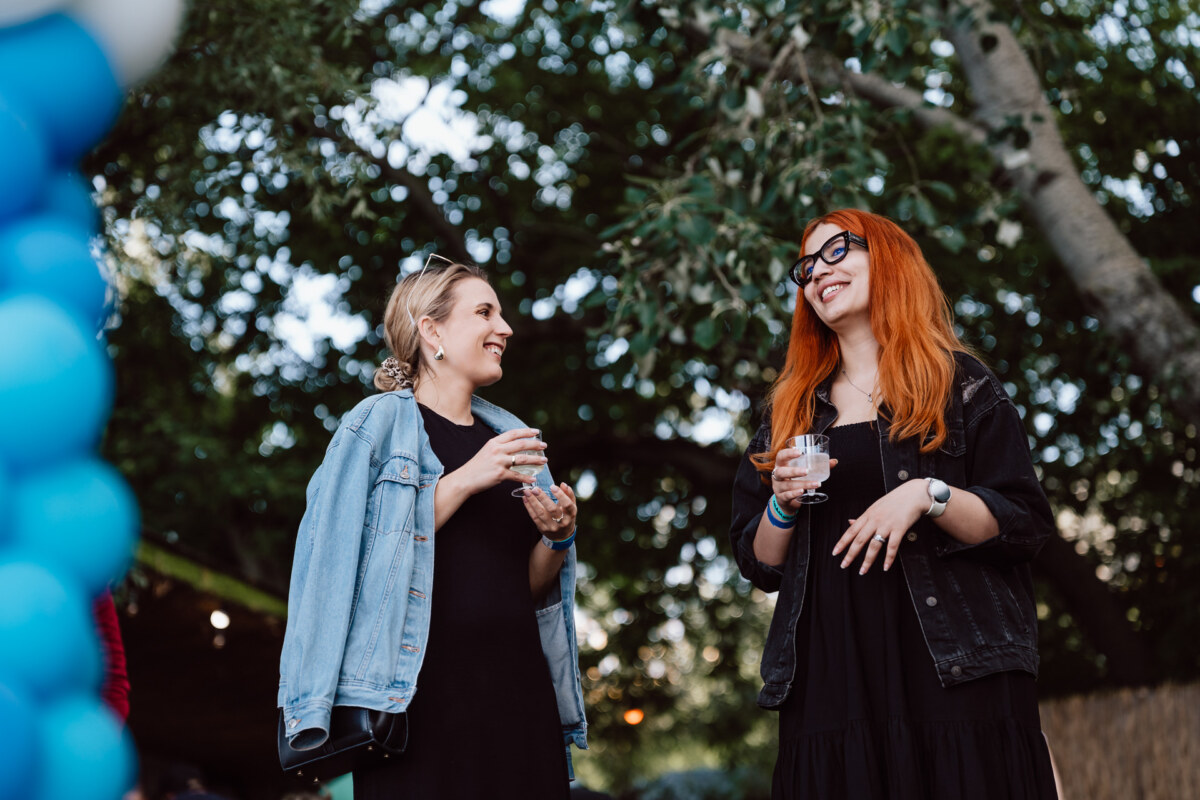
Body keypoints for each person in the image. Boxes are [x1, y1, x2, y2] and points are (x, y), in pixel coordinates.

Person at [730, 209, 1059, 799]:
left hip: (957, 671)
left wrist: (925, 495)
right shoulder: (790, 412)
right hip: (834, 675)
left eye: (837, 251)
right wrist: (781, 504)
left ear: (887, 257)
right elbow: (759, 562)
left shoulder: (961, 385)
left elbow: (1025, 526)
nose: (817, 273)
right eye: (806, 266)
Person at [278, 256, 587, 800]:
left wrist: (556, 537)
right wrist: (467, 479)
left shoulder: (512, 439)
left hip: (520, 701)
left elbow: (526, 590)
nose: (505, 328)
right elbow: (342, 560)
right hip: (418, 706)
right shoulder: (376, 425)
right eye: (485, 312)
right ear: (432, 330)